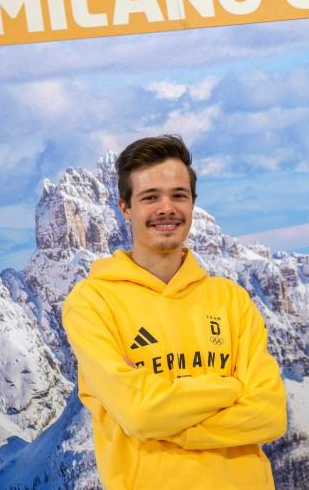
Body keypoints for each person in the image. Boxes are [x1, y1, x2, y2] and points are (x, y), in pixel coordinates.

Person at [62, 135, 286, 490]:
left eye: (178, 195)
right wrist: (229, 388)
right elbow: (139, 413)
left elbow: (270, 415)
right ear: (125, 207)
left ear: (193, 204)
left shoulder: (231, 300)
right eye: (150, 197)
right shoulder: (92, 302)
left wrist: (168, 421)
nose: (167, 208)